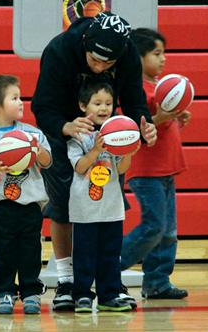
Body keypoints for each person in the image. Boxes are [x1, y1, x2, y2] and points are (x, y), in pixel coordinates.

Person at [31, 11, 157, 310]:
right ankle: (66, 280)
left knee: (107, 208)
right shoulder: (59, 50)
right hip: (64, 130)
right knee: (63, 207)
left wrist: (145, 125)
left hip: (109, 134)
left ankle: (110, 283)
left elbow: (135, 98)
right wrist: (66, 126)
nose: (100, 67)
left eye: (107, 64)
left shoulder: (127, 54)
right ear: (86, 43)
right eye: (95, 60)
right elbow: (42, 105)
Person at [0, 74, 52, 314]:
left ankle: (30, 292)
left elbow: (47, 162)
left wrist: (37, 150)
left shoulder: (31, 134)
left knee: (31, 250)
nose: (20, 102)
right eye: (14, 98)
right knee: (4, 251)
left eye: (20, 97)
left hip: (31, 203)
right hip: (2, 205)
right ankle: (4, 292)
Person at [120, 28, 191, 299]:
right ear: (138, 58)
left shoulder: (161, 87)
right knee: (154, 226)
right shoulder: (135, 91)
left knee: (168, 232)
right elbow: (140, 127)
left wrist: (178, 114)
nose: (163, 59)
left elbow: (164, 117)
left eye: (164, 53)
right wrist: (161, 117)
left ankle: (157, 282)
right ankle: (110, 267)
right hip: (146, 171)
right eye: (156, 53)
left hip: (167, 168)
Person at [67, 78, 140, 312]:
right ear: (82, 106)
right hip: (84, 208)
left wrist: (129, 151)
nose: (104, 108)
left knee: (110, 254)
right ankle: (82, 295)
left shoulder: (117, 134)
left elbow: (120, 169)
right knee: (84, 255)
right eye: (97, 103)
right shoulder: (77, 136)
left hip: (111, 207)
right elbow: (80, 167)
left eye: (108, 103)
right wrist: (97, 149)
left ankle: (109, 294)